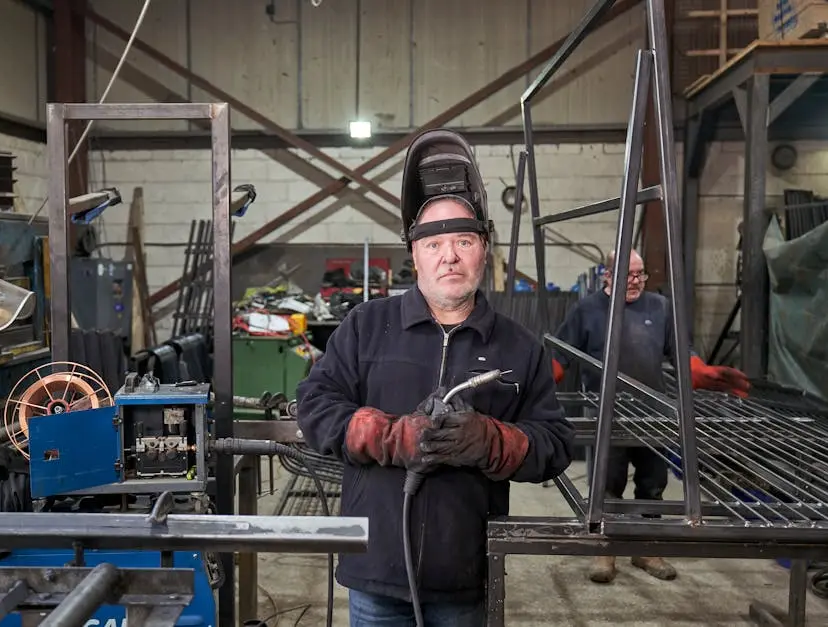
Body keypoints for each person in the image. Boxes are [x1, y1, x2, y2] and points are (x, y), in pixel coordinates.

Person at [296, 129, 575, 626]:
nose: (450, 256)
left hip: (464, 575)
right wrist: (387, 436)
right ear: (415, 254)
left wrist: (492, 441)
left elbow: (555, 444)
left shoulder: (518, 347)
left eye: (463, 241)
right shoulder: (366, 326)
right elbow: (315, 404)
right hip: (376, 571)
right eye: (435, 243)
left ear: (483, 249)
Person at [551, 248, 750, 584]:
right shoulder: (588, 309)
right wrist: (540, 385)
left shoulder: (660, 307)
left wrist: (699, 371)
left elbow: (682, 351)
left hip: (652, 413)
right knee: (607, 486)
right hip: (606, 414)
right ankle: (605, 550)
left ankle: (646, 549)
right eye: (627, 274)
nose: (635, 281)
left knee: (652, 484)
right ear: (608, 275)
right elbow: (561, 355)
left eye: (639, 274)